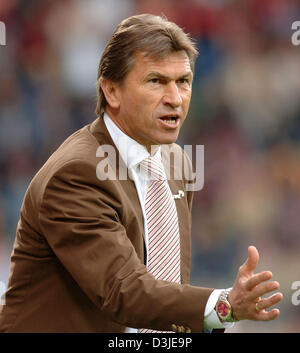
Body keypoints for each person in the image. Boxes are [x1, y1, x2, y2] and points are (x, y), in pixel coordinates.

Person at [0, 14, 282, 333]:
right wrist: (225, 305)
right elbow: (125, 292)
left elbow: (168, 294)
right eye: (156, 81)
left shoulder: (176, 162)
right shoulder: (77, 172)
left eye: (183, 81)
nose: (175, 98)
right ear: (112, 92)